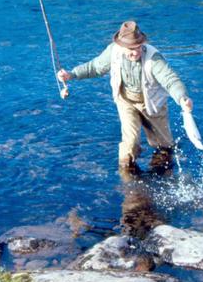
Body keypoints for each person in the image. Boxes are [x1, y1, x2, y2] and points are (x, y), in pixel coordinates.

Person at [58, 20, 193, 170]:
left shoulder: (154, 58)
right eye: (129, 48)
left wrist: (183, 98)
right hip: (126, 100)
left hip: (152, 102)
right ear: (121, 45)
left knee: (164, 146)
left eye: (137, 47)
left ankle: (161, 173)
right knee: (129, 144)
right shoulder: (113, 51)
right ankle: (129, 181)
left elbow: (170, 80)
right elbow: (95, 67)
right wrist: (71, 74)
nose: (134, 52)